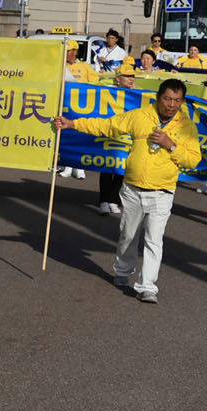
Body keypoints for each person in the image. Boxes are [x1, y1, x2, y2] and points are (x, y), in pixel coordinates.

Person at [53, 78, 202, 302]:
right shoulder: (139, 115)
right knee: (128, 236)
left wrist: (170, 145)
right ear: (158, 98)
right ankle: (122, 271)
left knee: (154, 240)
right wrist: (73, 123)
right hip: (132, 189)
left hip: (162, 191)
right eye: (167, 99)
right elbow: (108, 125)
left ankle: (147, 287)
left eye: (177, 100)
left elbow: (193, 159)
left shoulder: (187, 126)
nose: (171, 105)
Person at [91, 62, 137, 215]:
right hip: (109, 132)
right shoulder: (107, 91)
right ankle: (103, 201)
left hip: (126, 135)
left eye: (132, 76)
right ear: (118, 78)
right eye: (127, 76)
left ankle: (113, 200)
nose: (130, 79)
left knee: (121, 168)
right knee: (106, 167)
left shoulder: (137, 93)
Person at [59, 40, 99, 179]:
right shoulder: (60, 66)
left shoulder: (85, 67)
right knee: (67, 136)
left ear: (75, 51)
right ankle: (68, 166)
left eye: (69, 50)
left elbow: (96, 83)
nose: (66, 53)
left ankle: (80, 168)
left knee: (80, 136)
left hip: (83, 106)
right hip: (65, 105)